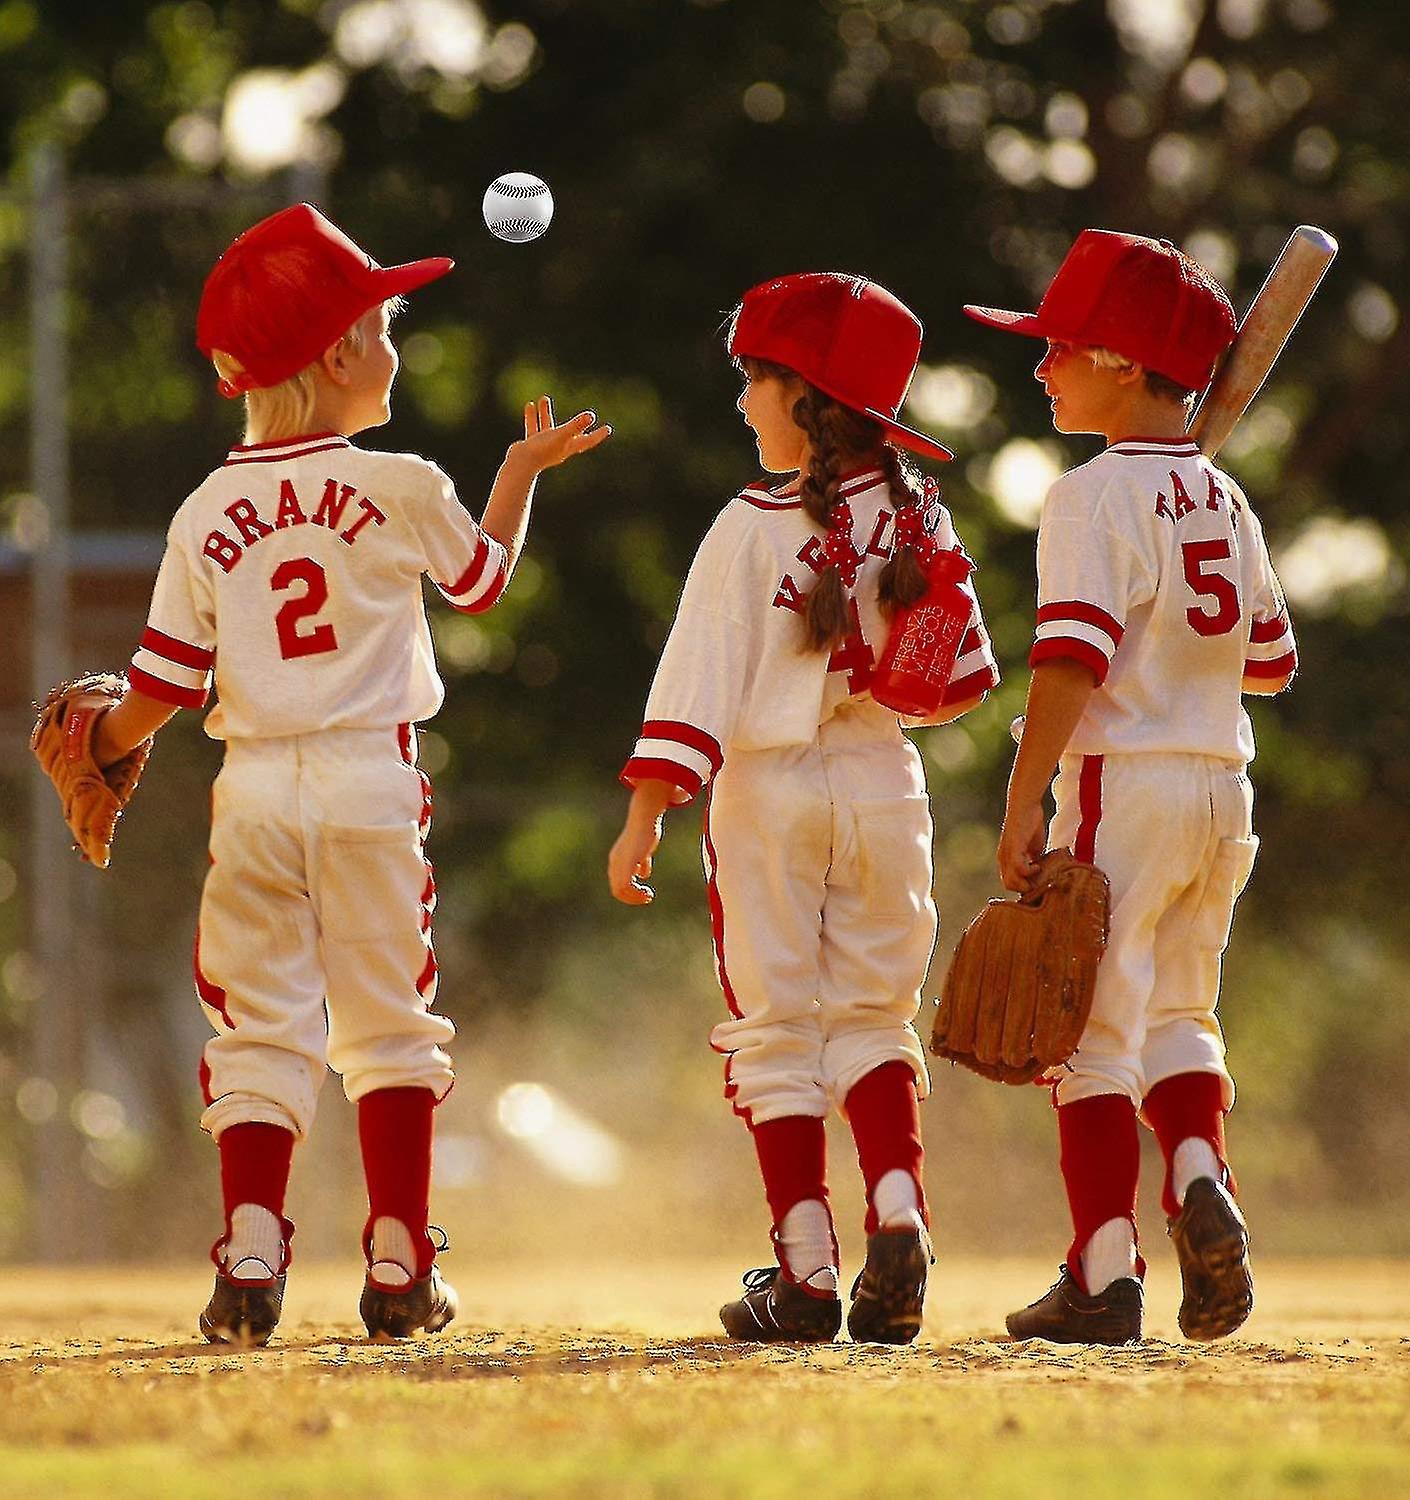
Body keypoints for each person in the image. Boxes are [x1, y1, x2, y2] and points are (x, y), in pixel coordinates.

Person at [89, 202, 610, 1345]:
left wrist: (99, 747)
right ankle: (399, 1262)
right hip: (372, 781)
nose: (394, 341)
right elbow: (480, 585)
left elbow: (162, 691)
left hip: (258, 789)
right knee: (387, 1023)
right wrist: (519, 473)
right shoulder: (403, 481)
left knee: (261, 1024)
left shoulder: (202, 511)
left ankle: (251, 1257)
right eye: (382, 324)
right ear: (336, 356)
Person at [607, 272, 999, 1343]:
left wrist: (646, 812)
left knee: (778, 1031)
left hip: (770, 791)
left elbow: (693, 684)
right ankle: (900, 1208)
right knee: (874, 1018)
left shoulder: (748, 525)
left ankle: (810, 1272)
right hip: (883, 783)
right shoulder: (922, 511)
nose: (742, 405)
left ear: (805, 400)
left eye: (755, 382)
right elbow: (959, 684)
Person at [963, 230, 1298, 1344]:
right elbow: (1272, 662)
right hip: (1222, 783)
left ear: (1117, 358)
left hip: (1124, 781)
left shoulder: (1089, 496)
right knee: (1182, 1013)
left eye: (1059, 347)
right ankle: (1200, 1169)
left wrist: (1024, 802)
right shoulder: (1229, 498)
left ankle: (1105, 1274)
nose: (1041, 367)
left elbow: (1071, 658)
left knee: (1090, 1037)